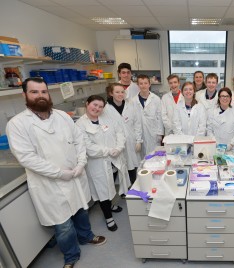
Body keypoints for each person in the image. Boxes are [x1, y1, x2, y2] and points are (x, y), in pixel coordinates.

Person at [6, 78, 106, 268]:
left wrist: (81, 162)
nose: (40, 96)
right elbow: (27, 158)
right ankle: (71, 256)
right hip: (49, 184)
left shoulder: (62, 116)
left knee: (81, 211)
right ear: (24, 95)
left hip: (75, 176)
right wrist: (60, 173)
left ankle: (86, 237)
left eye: (44, 91)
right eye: (34, 92)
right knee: (63, 225)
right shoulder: (17, 124)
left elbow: (79, 141)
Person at [76, 95, 130, 232]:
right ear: (87, 104)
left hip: (114, 159)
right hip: (98, 163)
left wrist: (118, 148)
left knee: (111, 184)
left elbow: (119, 133)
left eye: (100, 106)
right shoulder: (80, 125)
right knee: (102, 190)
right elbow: (88, 148)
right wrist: (109, 150)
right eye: (94, 105)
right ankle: (108, 217)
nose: (97, 109)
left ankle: (110, 205)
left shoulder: (107, 119)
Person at [103, 83, 142, 184]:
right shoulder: (106, 109)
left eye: (122, 92)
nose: (120, 94)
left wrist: (138, 141)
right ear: (111, 93)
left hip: (131, 140)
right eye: (117, 92)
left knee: (132, 165)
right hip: (115, 144)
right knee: (119, 166)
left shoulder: (130, 105)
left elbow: (137, 123)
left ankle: (133, 188)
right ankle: (122, 190)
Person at [206, 87, 234, 159]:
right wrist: (215, 143)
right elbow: (209, 130)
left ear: (230, 98)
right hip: (216, 148)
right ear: (219, 98)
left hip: (232, 149)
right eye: (222, 96)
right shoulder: (212, 112)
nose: (225, 98)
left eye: (227, 96)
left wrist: (231, 144)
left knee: (231, 168)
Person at [132, 74, 164, 156]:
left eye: (145, 83)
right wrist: (138, 139)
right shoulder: (133, 101)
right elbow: (134, 120)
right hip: (140, 133)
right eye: (141, 83)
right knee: (143, 158)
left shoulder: (156, 99)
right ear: (138, 85)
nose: (143, 86)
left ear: (149, 84)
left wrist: (160, 133)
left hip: (153, 133)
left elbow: (159, 117)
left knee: (155, 156)